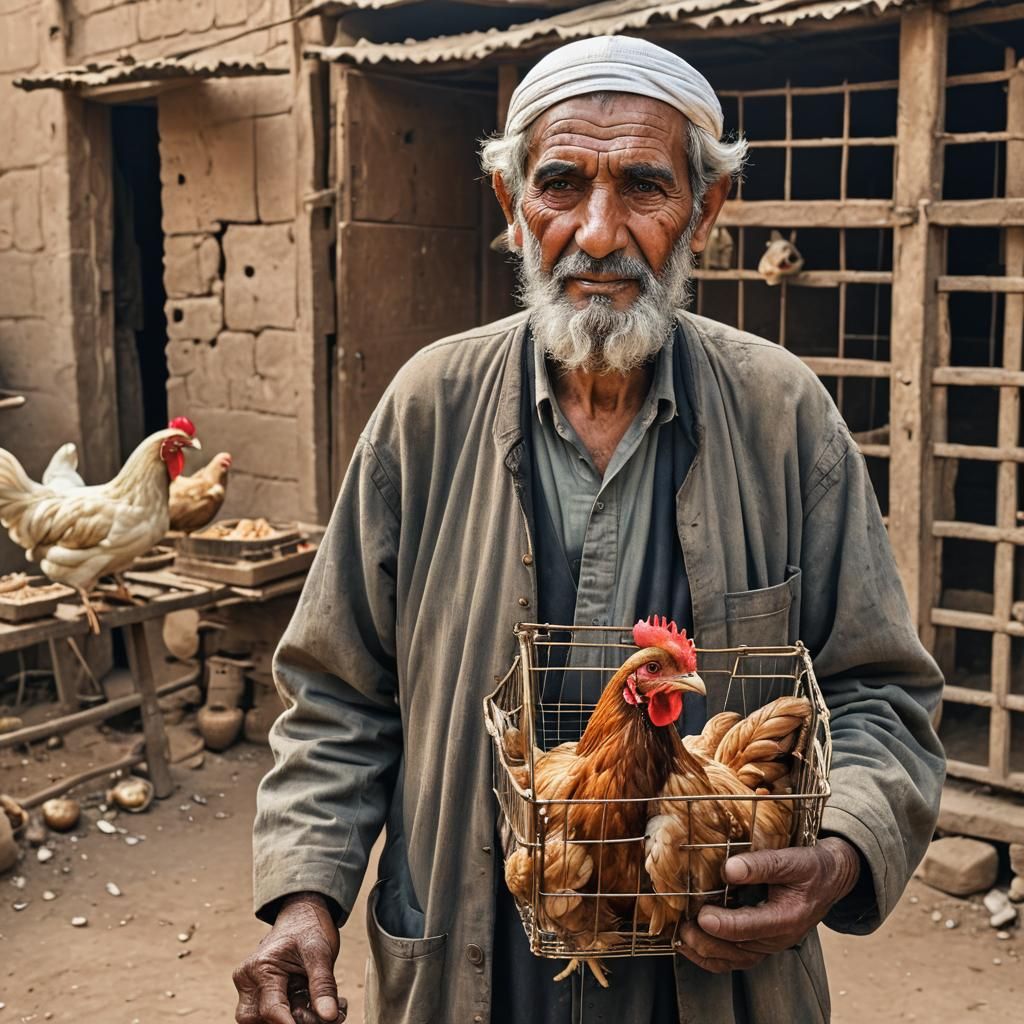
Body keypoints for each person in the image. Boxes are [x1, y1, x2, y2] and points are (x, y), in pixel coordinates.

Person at [233, 35, 945, 1024]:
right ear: (510, 204)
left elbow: (878, 691)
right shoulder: (425, 409)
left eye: (644, 189)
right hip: (471, 963)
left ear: (704, 209)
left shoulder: (784, 416)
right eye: (560, 184)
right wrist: (305, 895)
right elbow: (337, 696)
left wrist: (840, 854)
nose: (598, 233)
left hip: (712, 973)